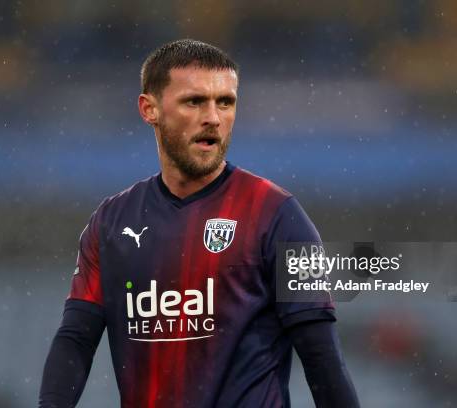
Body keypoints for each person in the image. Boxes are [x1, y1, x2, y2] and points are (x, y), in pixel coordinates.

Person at [39, 39, 359, 408]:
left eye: (225, 102)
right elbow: (76, 340)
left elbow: (323, 358)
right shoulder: (112, 222)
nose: (214, 117)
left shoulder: (279, 215)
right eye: (195, 101)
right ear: (149, 109)